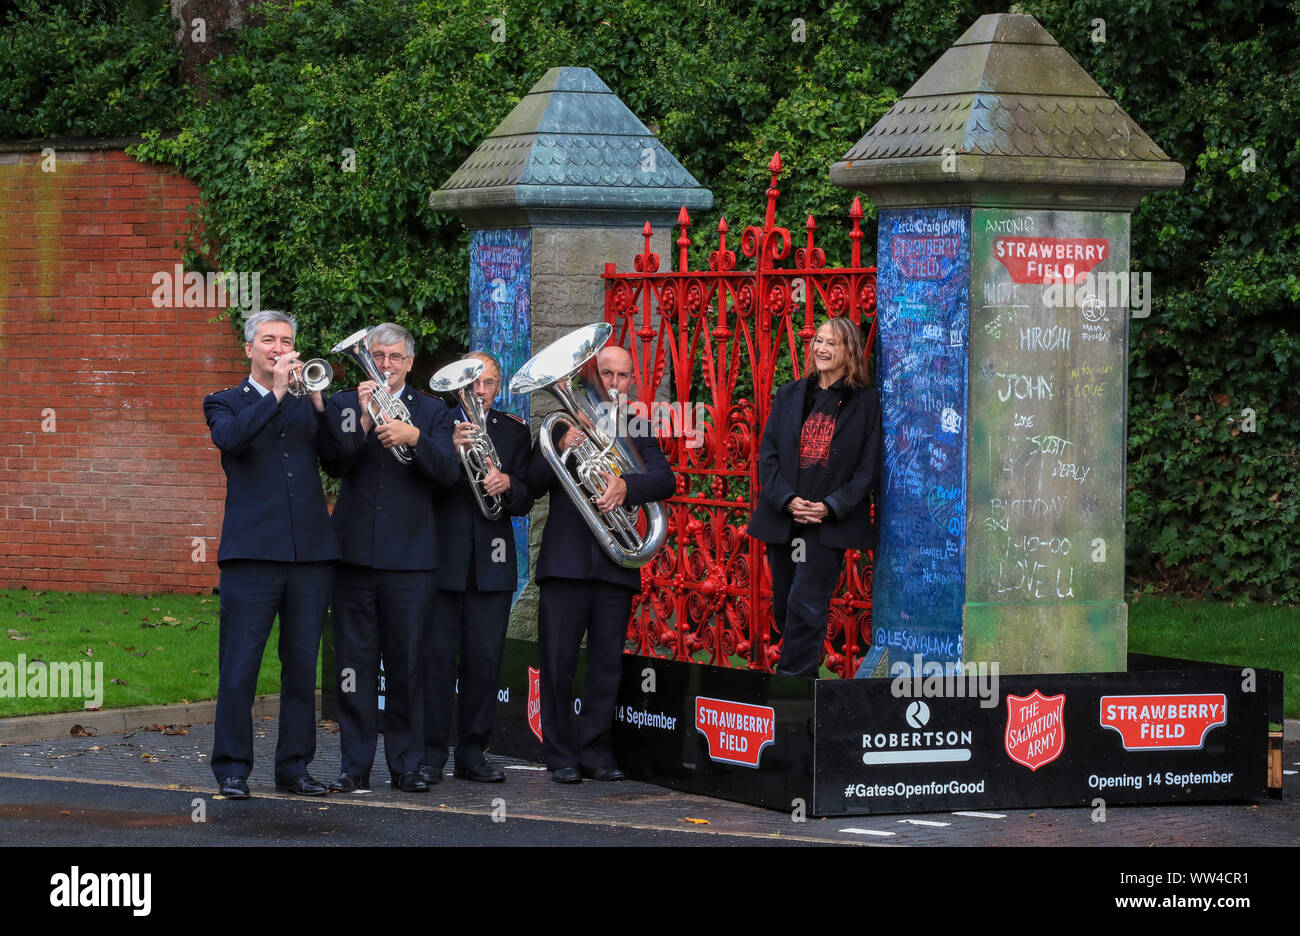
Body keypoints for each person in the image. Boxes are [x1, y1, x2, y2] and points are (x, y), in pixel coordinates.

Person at [204, 309, 340, 799]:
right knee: (240, 666)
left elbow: (342, 459)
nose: (278, 347)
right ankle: (233, 769)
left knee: (302, 668)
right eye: (268, 340)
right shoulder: (223, 402)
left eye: (285, 339)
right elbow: (231, 440)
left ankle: (294, 768)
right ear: (249, 349)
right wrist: (279, 392)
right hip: (251, 557)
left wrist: (321, 402)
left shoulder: (310, 401)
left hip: (309, 557)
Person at [319, 323, 460, 794]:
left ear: (409, 362)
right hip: (355, 557)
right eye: (378, 355)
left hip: (412, 561)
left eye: (395, 357)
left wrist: (414, 436)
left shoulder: (433, 411)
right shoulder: (343, 403)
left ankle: (407, 765)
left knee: (408, 666)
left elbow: (447, 475)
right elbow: (335, 463)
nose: (385, 364)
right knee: (354, 668)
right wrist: (360, 421)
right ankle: (354, 766)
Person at [526, 345, 675, 783]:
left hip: (616, 564)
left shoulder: (637, 426)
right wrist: (561, 444)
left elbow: (664, 478)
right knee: (558, 664)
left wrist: (624, 487)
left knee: (607, 665)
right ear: (591, 374)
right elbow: (530, 484)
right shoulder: (557, 425)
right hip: (566, 564)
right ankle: (559, 755)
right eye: (606, 373)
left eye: (623, 376)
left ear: (632, 381)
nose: (614, 383)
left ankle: (594, 752)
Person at [746, 316, 881, 678]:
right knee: (784, 607)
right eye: (818, 341)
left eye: (831, 343)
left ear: (849, 351)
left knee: (806, 606)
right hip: (785, 518)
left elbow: (867, 470)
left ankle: (796, 690)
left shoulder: (866, 403)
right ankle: (803, 678)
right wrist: (788, 500)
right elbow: (769, 455)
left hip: (825, 527)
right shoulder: (791, 394)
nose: (821, 348)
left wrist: (829, 507)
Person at [422, 351, 533, 784]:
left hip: (493, 562)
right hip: (444, 559)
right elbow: (427, 482)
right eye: (472, 383)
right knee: (437, 661)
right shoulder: (437, 422)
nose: (479, 392)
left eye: (487, 383)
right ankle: (431, 755)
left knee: (484, 662)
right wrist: (450, 450)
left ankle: (471, 754)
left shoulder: (514, 432)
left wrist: (509, 485)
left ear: (498, 385)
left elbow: (526, 497)